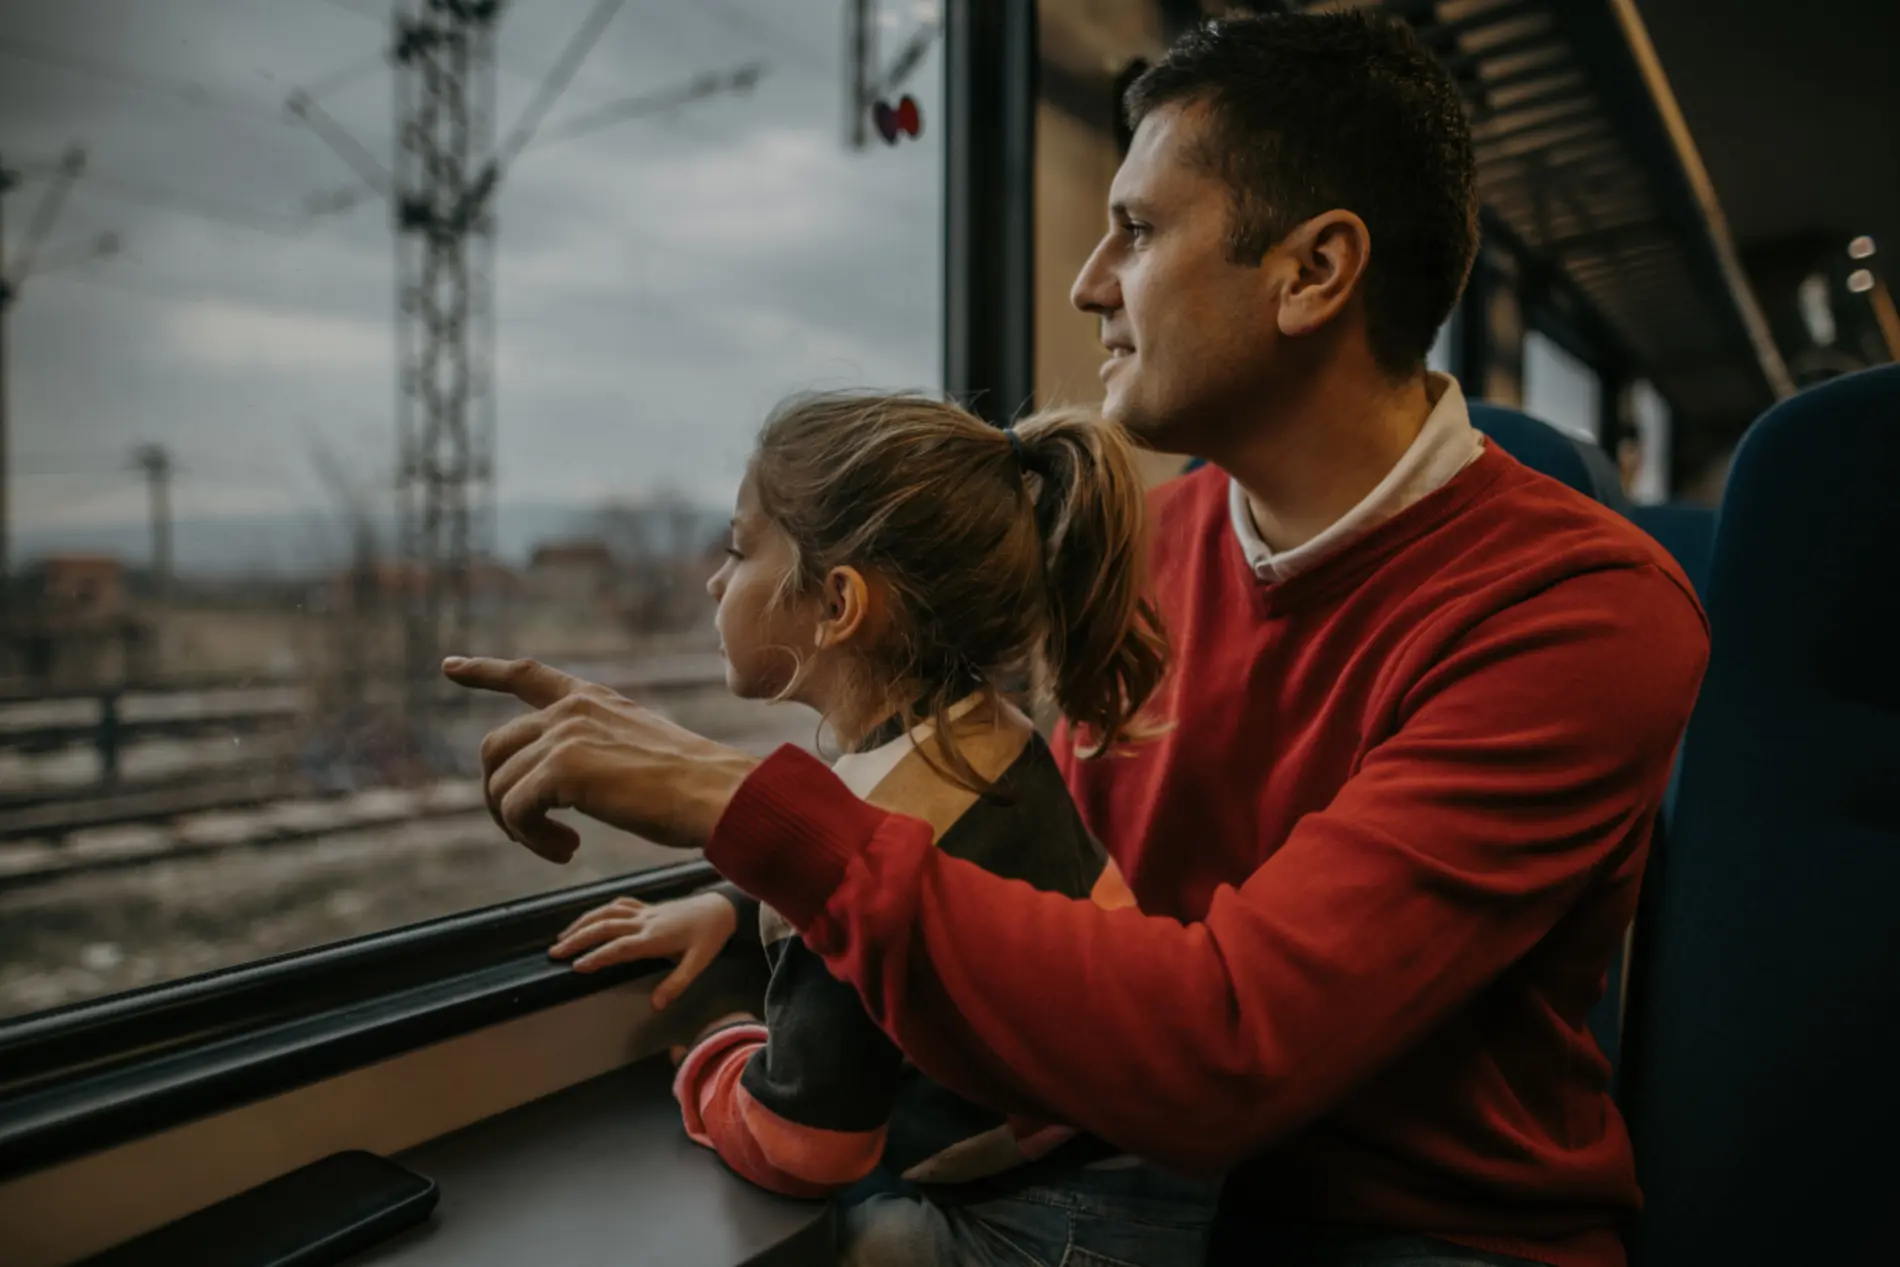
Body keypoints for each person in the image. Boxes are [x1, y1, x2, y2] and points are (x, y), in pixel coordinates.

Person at [446, 12, 1709, 1266]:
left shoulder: (1582, 615)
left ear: (1313, 272)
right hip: (1124, 1172)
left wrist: (755, 814)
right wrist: (753, 890)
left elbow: (1226, 1045)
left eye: (1140, 229)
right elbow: (994, 812)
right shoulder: (1145, 545)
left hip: (1414, 1229)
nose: (1086, 279)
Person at [538, 392, 1218, 1266]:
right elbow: (870, 851)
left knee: (862, 1238)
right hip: (1150, 1159)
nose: (715, 580)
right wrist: (736, 907)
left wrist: (713, 1058)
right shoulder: (979, 736)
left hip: (1075, 1217)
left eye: (739, 550)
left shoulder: (897, 816)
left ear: (837, 605)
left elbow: (804, 1146)